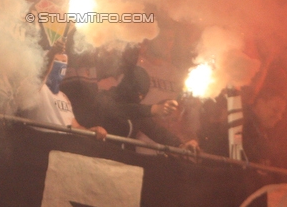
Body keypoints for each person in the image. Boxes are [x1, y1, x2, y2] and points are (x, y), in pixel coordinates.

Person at [63, 63, 200, 152]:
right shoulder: (104, 99)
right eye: (138, 91)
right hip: (97, 158)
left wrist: (180, 145)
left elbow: (155, 130)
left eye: (142, 94)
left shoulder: (137, 110)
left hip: (124, 168)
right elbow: (121, 111)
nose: (140, 97)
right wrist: (154, 109)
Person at [242, 87, 287, 167]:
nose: (279, 117)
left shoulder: (266, 128)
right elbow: (261, 149)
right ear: (260, 103)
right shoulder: (244, 122)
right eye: (275, 110)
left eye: (282, 113)